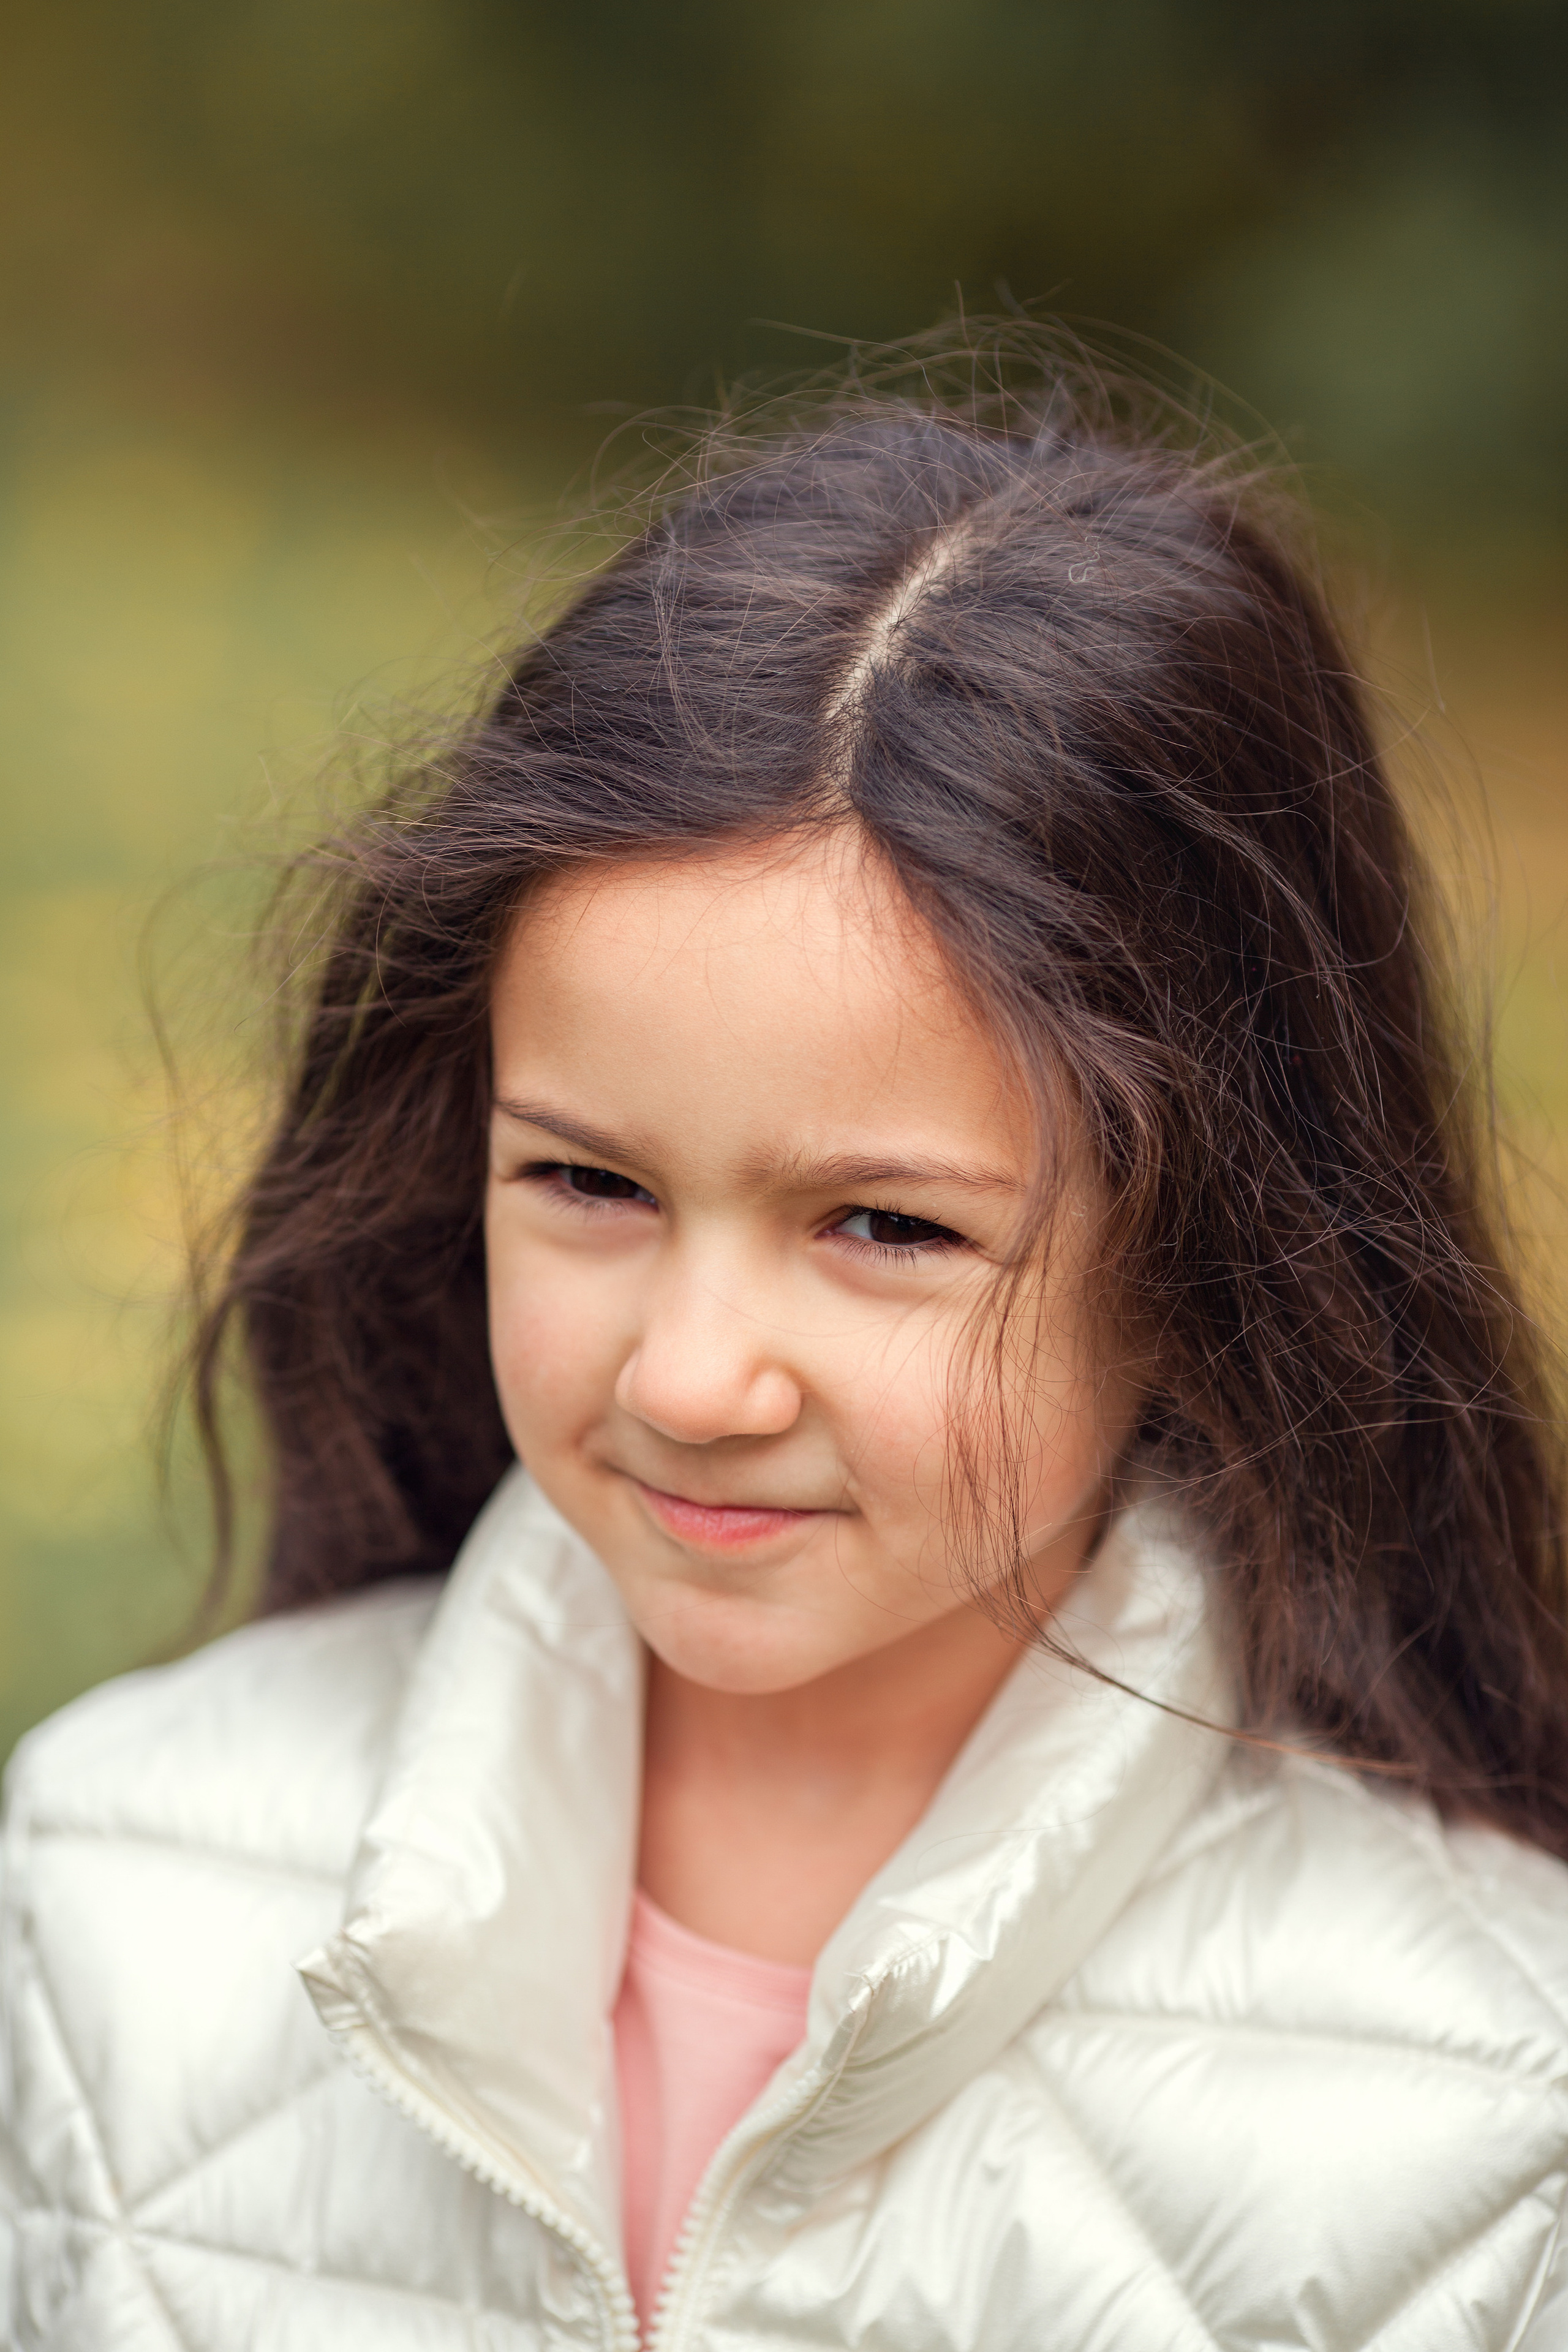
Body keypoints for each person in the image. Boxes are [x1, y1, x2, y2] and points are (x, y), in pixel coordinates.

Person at [4, 336, 1568, 2351]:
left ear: (1213, 1252)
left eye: (884, 1226)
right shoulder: (111, 1879)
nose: (689, 1378)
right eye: (589, 1185)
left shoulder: (1494, 2114)